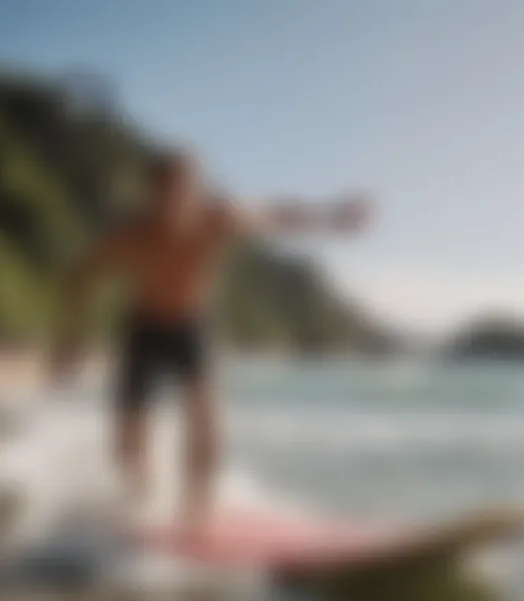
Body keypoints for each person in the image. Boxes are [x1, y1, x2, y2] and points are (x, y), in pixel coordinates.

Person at [49, 146, 373, 532]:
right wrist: (68, 342)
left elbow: (277, 215)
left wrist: (332, 216)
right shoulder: (131, 235)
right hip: (144, 328)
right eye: (164, 194)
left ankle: (195, 515)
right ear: (150, 194)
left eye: (184, 192)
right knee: (127, 445)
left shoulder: (218, 219)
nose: (174, 204)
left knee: (206, 420)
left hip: (190, 326)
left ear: (195, 191)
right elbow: (80, 278)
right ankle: (139, 501)